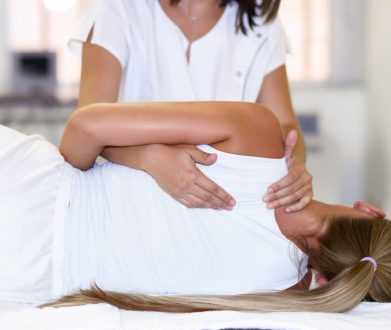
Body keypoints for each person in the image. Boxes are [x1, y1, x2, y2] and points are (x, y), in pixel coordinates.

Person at [1, 101, 391, 314]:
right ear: (335, 283)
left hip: (27, 183)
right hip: (27, 282)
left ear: (369, 210)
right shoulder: (282, 296)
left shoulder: (257, 135)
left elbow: (83, 132)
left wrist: (146, 157)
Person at [69, 0, 313, 213]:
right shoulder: (118, 8)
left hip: (226, 205)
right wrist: (150, 159)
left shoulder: (260, 21)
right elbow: (90, 127)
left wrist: (295, 167)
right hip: (133, 200)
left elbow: (286, 124)